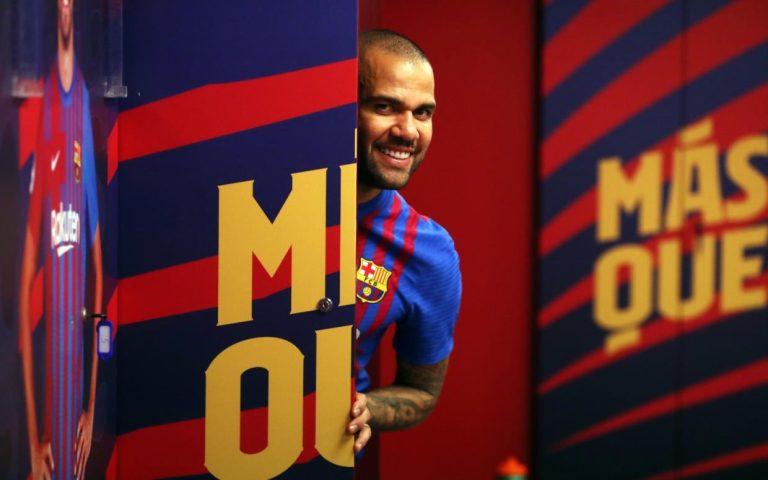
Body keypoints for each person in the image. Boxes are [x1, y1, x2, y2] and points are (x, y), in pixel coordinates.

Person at [347, 30, 462, 452]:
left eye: (423, 113)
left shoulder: (428, 252)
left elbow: (422, 392)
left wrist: (369, 409)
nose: (408, 131)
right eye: (385, 106)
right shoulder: (255, 200)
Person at [19, 0, 103, 478]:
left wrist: (91, 406)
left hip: (75, 406)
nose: (66, 6)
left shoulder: (84, 100)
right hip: (47, 412)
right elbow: (21, 301)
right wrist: (33, 441)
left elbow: (98, 273)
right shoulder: (39, 104)